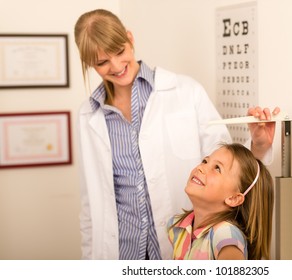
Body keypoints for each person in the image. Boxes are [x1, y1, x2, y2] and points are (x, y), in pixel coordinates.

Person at [74, 8, 280, 260]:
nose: (116, 66)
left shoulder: (185, 91)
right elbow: (89, 206)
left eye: (119, 52)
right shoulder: (89, 115)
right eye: (102, 62)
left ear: (130, 38)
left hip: (177, 246)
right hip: (120, 253)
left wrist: (258, 145)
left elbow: (227, 161)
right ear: (88, 63)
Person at [167, 143, 274, 260]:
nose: (201, 168)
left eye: (217, 168)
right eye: (205, 161)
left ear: (234, 198)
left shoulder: (224, 233)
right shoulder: (177, 225)